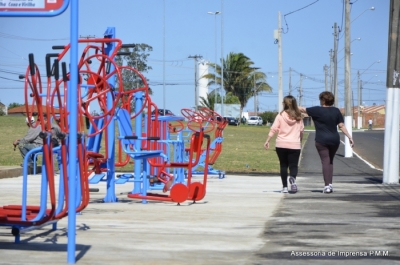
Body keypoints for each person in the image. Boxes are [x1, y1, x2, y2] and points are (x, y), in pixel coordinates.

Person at [299, 91, 354, 194]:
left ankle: (327, 186)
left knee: (325, 161)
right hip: (334, 140)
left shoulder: (316, 110)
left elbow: (301, 109)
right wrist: (349, 137)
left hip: (321, 140)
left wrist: (290, 104)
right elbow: (341, 126)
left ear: (323, 100)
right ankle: (330, 184)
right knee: (330, 161)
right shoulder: (336, 111)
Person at [264, 95, 304, 194]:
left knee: (283, 165)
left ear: (284, 104)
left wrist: (267, 140)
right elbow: (301, 130)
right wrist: (300, 141)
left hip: (281, 144)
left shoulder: (280, 115)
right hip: (294, 144)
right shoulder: (299, 117)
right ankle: (293, 179)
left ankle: (285, 187)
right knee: (293, 166)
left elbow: (273, 129)